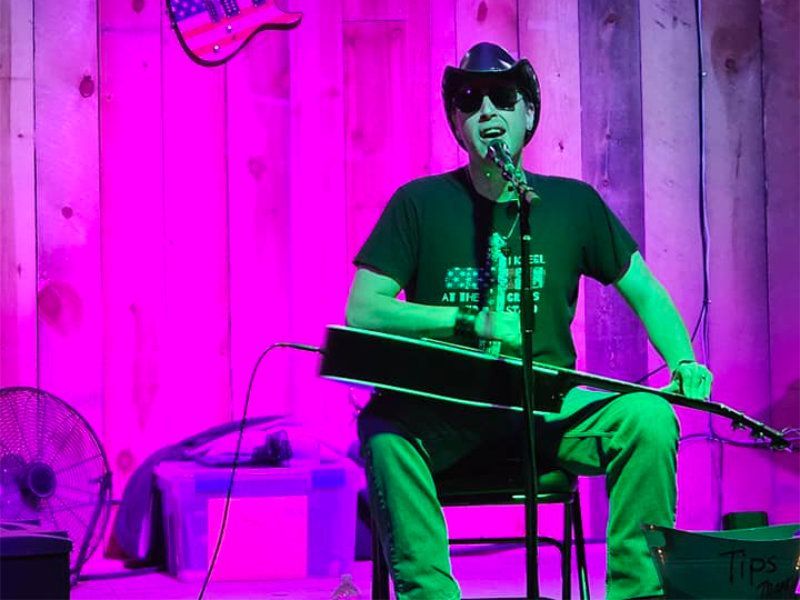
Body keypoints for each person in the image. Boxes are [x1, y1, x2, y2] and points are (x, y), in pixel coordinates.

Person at [346, 42, 713, 600]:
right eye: (470, 100)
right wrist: (467, 321)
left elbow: (644, 289)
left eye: (502, 97)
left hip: (548, 409)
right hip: (446, 413)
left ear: (529, 115)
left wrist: (684, 360)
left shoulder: (572, 204)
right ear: (457, 123)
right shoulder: (418, 203)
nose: (487, 110)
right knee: (384, 430)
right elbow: (363, 310)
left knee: (649, 417)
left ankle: (637, 593)